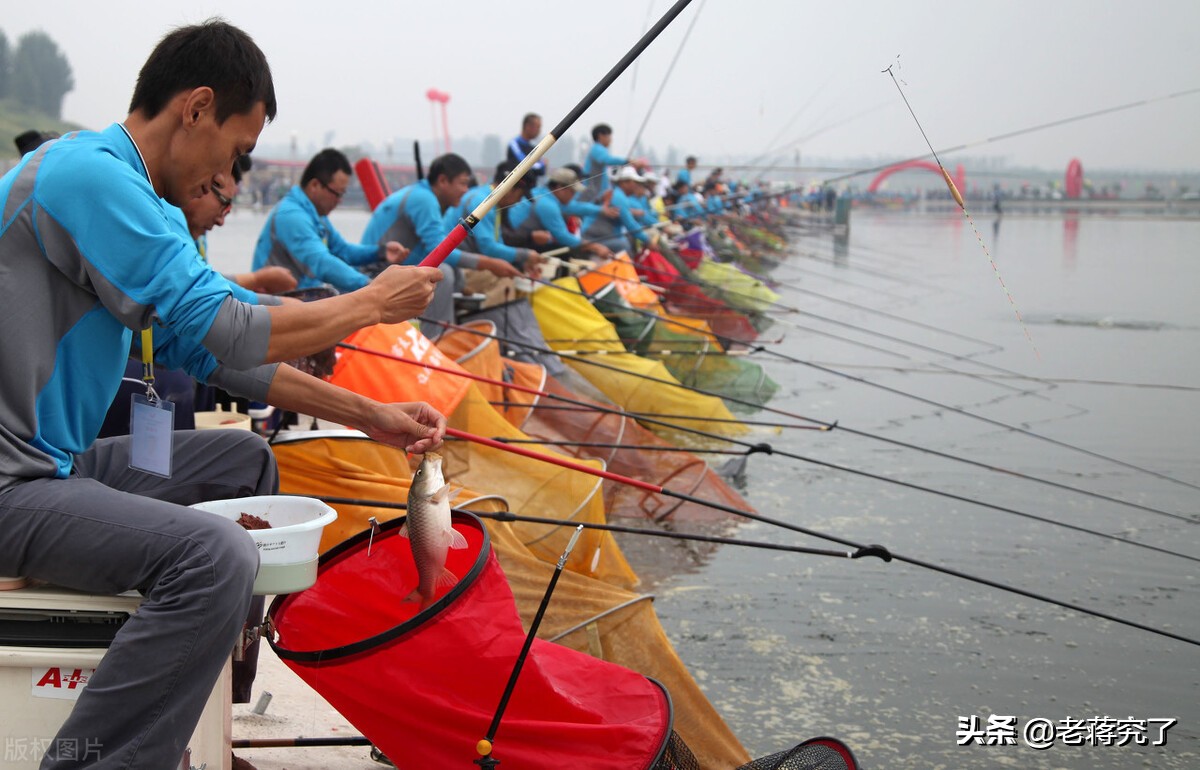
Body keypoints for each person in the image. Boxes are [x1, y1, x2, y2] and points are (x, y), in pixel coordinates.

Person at [0, 20, 445, 770]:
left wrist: (373, 417)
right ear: (196, 107)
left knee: (243, 461)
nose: (230, 176)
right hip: (15, 486)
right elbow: (230, 327)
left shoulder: (116, 183)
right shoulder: (89, 176)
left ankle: (208, 724)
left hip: (57, 469)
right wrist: (370, 302)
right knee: (216, 557)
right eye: (236, 151)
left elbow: (208, 349)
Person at [362, 152, 522, 328]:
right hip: (376, 272)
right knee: (442, 273)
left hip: (395, 267)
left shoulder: (429, 198)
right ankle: (437, 339)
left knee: (453, 273)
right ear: (443, 181)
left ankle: (451, 327)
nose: (465, 190)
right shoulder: (424, 199)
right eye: (462, 183)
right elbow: (441, 251)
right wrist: (491, 263)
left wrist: (463, 284)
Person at [253, 148, 409, 293]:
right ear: (315, 185)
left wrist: (380, 252)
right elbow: (321, 263)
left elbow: (342, 251)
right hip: (277, 305)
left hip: (304, 299)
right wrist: (372, 287)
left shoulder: (316, 216)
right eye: (337, 193)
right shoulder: (291, 216)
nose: (339, 201)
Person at [182, 155, 297, 299]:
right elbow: (195, 291)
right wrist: (258, 282)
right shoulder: (169, 222)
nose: (221, 221)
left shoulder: (198, 232)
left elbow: (202, 282)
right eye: (224, 203)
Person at [580, 123, 628, 202]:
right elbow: (607, 160)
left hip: (597, 194)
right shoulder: (597, 149)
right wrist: (627, 161)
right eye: (609, 136)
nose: (610, 140)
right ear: (601, 136)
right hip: (592, 193)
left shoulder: (598, 149)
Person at [505, 112, 546, 187]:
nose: (539, 131)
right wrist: (543, 164)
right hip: (516, 188)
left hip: (530, 187)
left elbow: (542, 171)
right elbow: (525, 164)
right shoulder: (514, 144)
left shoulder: (532, 147)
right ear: (528, 126)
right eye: (538, 127)